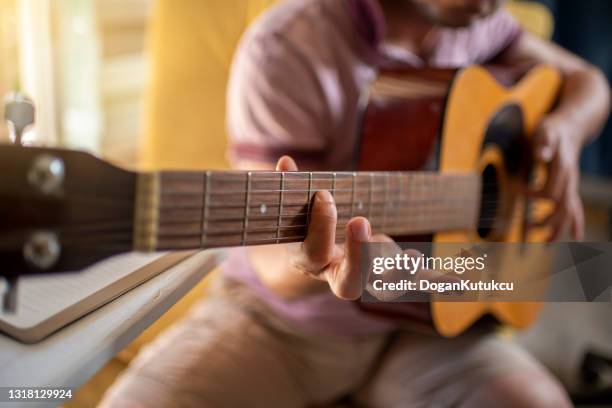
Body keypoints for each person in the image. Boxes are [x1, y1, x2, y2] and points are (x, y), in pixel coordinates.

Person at [101, 0, 610, 406]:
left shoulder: (482, 22)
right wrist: (318, 263)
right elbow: (269, 261)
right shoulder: (288, 45)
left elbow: (590, 82)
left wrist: (564, 130)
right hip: (281, 325)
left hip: (435, 322)